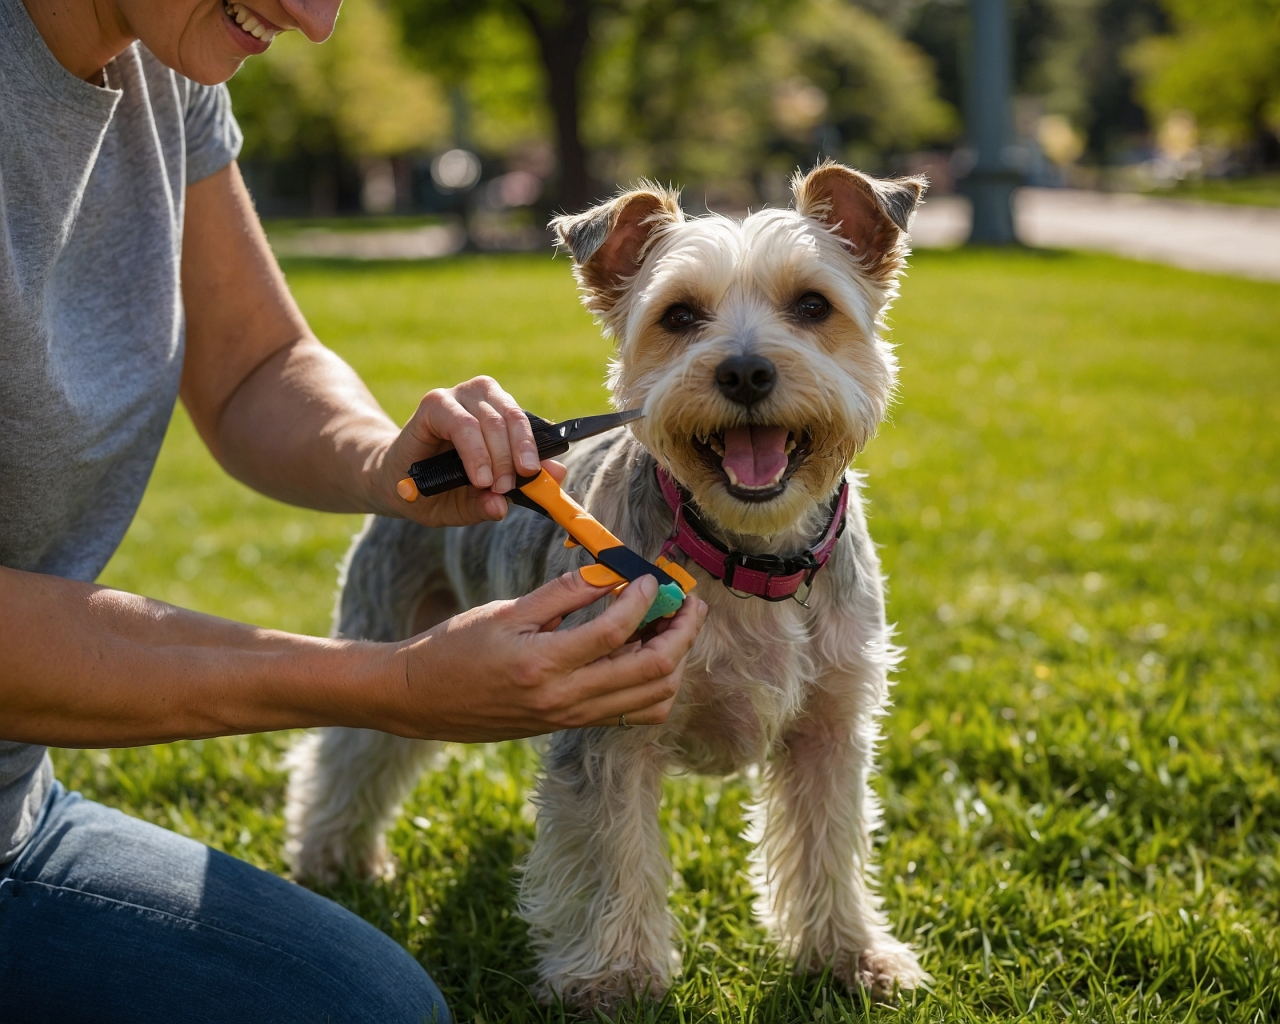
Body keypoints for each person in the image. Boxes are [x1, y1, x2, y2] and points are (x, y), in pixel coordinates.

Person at [0, 1, 707, 1020]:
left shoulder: (168, 68)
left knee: (368, 1002)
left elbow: (253, 365)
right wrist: (395, 681)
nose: (315, 21)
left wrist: (384, 460)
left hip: (18, 808)